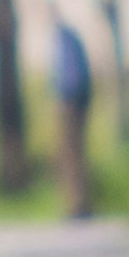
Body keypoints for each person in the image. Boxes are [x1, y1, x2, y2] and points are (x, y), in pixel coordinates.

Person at [47, 15, 97, 219]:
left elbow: (70, 76)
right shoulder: (68, 35)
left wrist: (64, 101)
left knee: (70, 154)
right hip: (75, 100)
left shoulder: (63, 37)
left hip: (70, 102)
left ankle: (78, 205)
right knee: (74, 154)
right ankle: (79, 204)